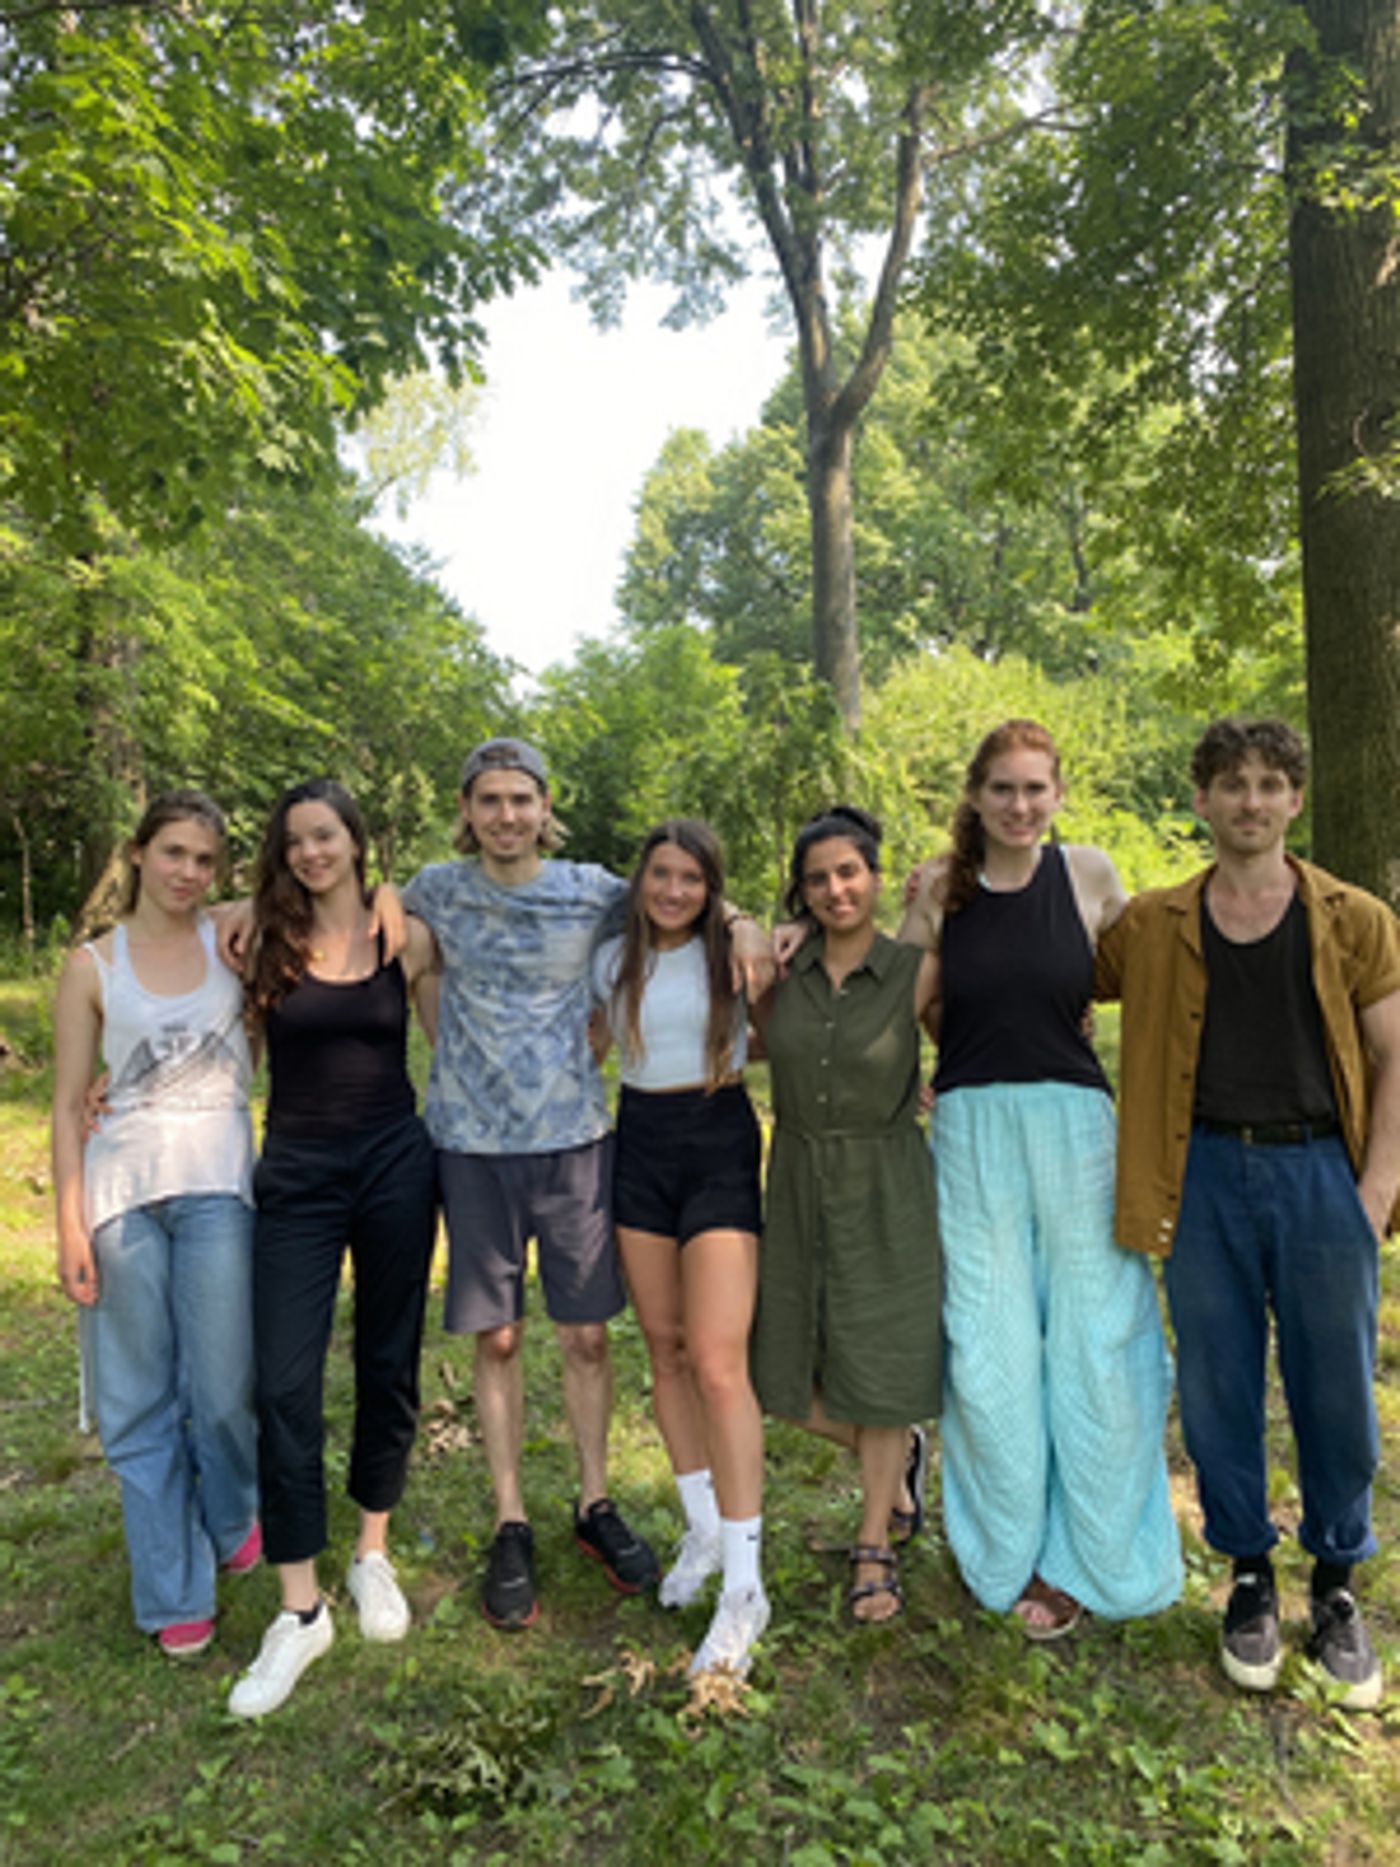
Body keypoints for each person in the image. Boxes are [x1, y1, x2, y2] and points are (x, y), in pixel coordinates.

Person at [1096, 717, 1400, 1708]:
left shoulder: (1352, 918)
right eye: (1230, 784)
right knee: (1217, 1382)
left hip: (1321, 1175)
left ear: (1293, 800)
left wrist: (1375, 1190)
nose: (1249, 801)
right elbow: (1038, 955)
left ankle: (1336, 1582)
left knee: (1335, 1388)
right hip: (1202, 1176)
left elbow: (1395, 1053)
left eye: (1269, 784)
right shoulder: (1153, 923)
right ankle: (1246, 1576)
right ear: (1199, 800)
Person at [901, 721, 1182, 1638]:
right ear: (975, 796)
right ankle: (1006, 1544)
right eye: (1003, 790)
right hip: (974, 1128)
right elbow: (893, 998)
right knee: (987, 1343)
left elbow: (1167, 968)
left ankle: (1092, 1552)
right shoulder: (944, 886)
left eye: (1036, 789)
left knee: (1100, 1338)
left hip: (1076, 1128)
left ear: (1058, 794)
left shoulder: (1090, 874)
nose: (1020, 806)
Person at [227, 779, 440, 1718]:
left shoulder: (409, 934)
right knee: (282, 1382)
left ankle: (371, 1551)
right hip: (299, 1170)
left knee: (389, 1358)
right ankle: (299, 1605)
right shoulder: (255, 938)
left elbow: (452, 1037)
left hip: (398, 1157)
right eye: (295, 842)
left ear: (356, 840)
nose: (312, 852)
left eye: (326, 836)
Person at [51, 790, 259, 1658]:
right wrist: (68, 1226)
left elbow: (329, 892)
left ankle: (230, 1508)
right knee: (139, 1398)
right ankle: (173, 1588)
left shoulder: (234, 940)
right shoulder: (91, 966)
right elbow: (66, 1103)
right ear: (138, 853)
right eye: (174, 853)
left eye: (206, 860)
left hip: (217, 1186)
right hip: (120, 1195)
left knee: (218, 1389)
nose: (188, 872)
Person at [751, 806, 941, 1623]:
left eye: (849, 872)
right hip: (794, 1172)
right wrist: (757, 930)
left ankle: (874, 1543)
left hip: (886, 1175)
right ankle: (895, 1459)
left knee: (886, 1359)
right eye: (818, 877)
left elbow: (982, 1034)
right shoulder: (778, 970)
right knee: (772, 1368)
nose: (836, 889)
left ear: (873, 874)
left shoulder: (916, 969)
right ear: (801, 890)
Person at [592, 820, 768, 1677]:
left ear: (711, 887)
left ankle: (746, 1581)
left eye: (691, 879)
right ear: (640, 880)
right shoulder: (611, 957)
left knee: (716, 1358)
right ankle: (703, 1532)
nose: (672, 890)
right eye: (660, 874)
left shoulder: (733, 948)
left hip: (718, 1133)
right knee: (663, 1347)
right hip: (640, 1138)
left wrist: (742, 922)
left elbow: (774, 1004)